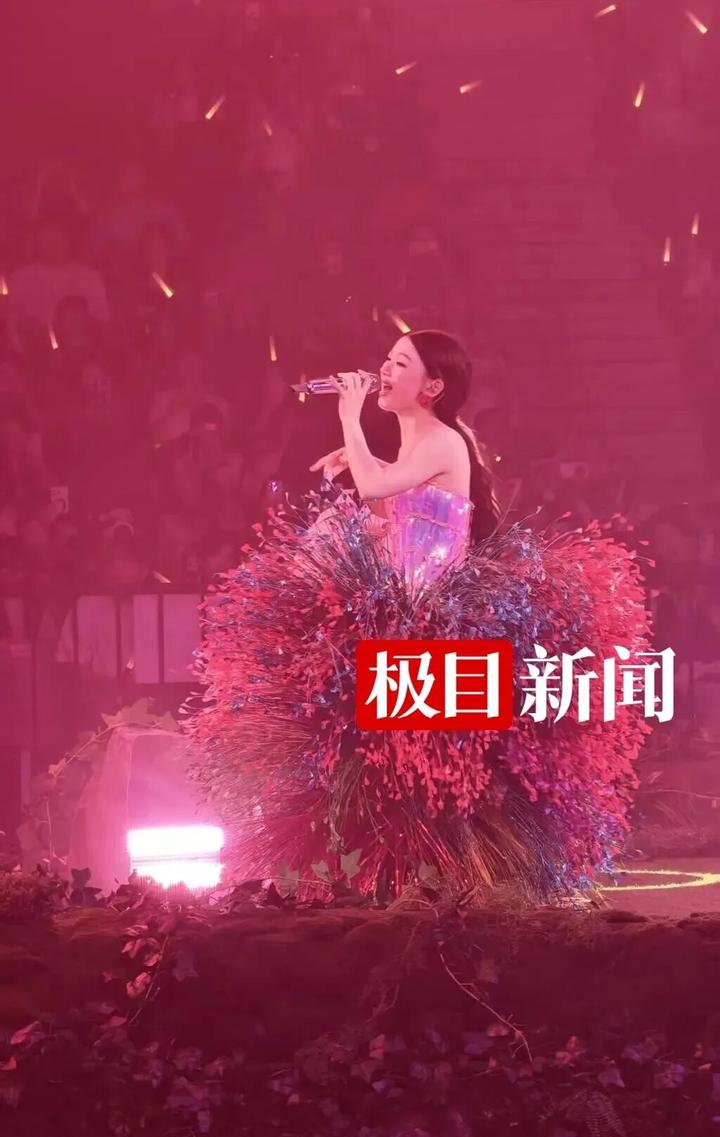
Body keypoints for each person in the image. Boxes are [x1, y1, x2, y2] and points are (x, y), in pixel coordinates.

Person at [185, 330, 654, 902]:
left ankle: (446, 887)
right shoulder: (420, 443)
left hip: (433, 620)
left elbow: (378, 488)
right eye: (387, 358)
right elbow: (397, 499)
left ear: (432, 386)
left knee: (423, 776)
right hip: (406, 614)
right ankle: (391, 881)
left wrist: (350, 421)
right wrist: (367, 459)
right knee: (386, 764)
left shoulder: (442, 439)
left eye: (400, 363)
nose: (384, 370)